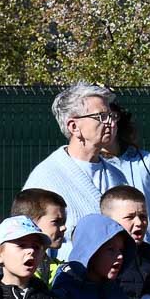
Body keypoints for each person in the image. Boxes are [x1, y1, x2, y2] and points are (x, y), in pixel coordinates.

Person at [23, 83, 128, 249]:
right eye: (101, 116)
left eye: (112, 116)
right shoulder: (46, 178)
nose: (111, 123)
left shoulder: (117, 175)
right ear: (74, 127)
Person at [105, 105, 150, 224]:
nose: (107, 123)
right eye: (101, 117)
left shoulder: (147, 160)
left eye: (111, 116)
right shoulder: (88, 165)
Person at [101, 186, 150, 299]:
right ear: (109, 221)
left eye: (143, 216)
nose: (139, 222)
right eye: (130, 217)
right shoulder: (100, 261)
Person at [10, 189, 67, 282]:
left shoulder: (63, 271)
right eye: (56, 221)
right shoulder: (4, 268)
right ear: (29, 222)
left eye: (63, 222)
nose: (63, 228)